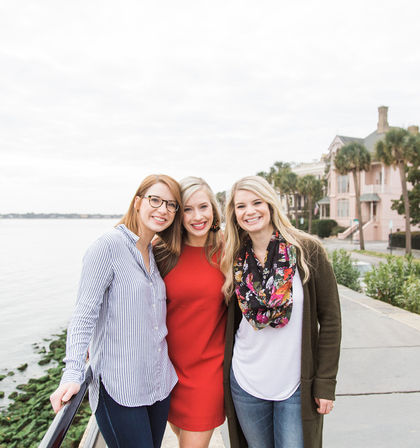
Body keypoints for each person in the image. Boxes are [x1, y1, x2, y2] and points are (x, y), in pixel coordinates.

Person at [50, 174, 183, 448]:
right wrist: (73, 373)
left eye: (171, 205)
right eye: (155, 200)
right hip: (120, 388)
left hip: (158, 385)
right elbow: (84, 314)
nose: (163, 209)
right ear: (137, 202)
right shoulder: (108, 245)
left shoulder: (153, 251)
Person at [220, 175, 341, 448]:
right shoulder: (234, 256)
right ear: (234, 214)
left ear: (270, 204)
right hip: (246, 381)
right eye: (240, 206)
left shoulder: (307, 250)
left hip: (296, 384)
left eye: (256, 202)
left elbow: (331, 321)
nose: (249, 211)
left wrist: (325, 383)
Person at [154, 176, 227, 448]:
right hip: (167, 372)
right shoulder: (161, 253)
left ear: (214, 210)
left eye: (203, 207)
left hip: (209, 373)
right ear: (177, 214)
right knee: (181, 436)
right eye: (187, 209)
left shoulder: (227, 251)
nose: (197, 216)